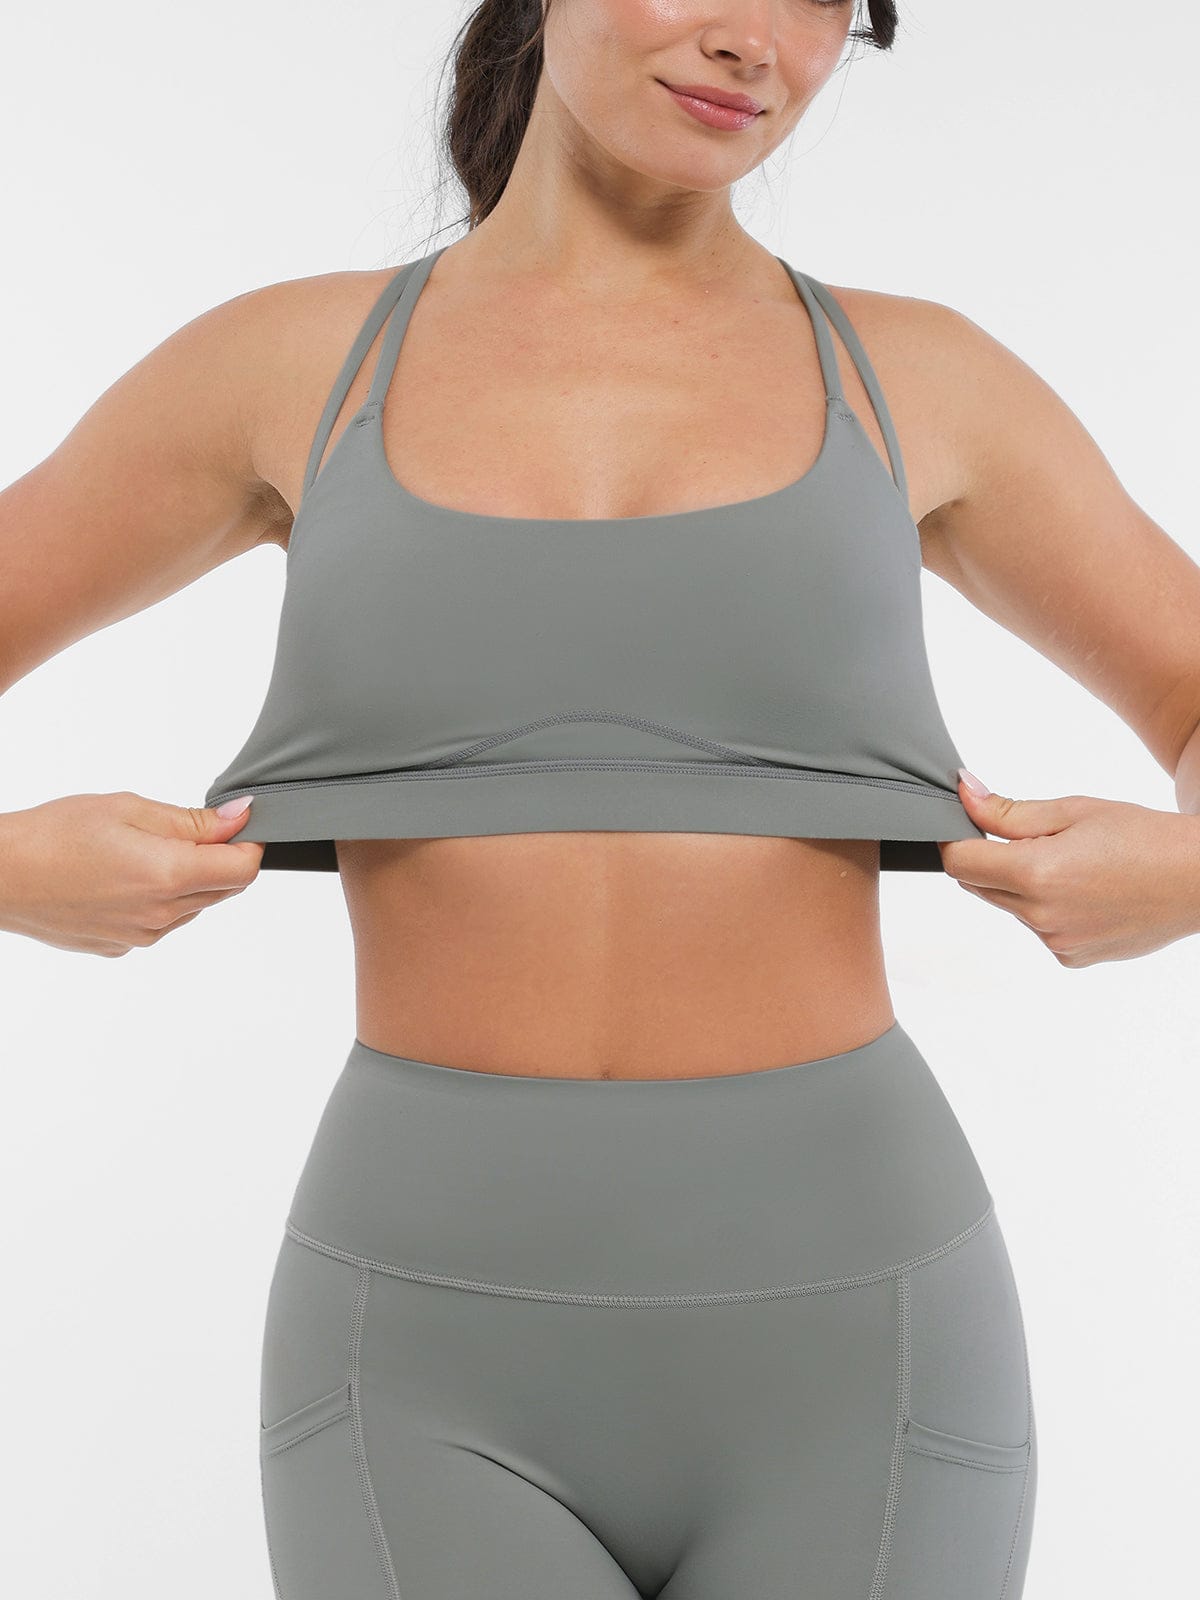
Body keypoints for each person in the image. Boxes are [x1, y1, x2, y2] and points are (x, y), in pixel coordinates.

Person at [4, 3, 1200, 1596]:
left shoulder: (924, 379)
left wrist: (1187, 877)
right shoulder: (287, 367)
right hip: (418, 1351)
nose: (756, 41)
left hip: (860, 1339)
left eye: (817, 0)